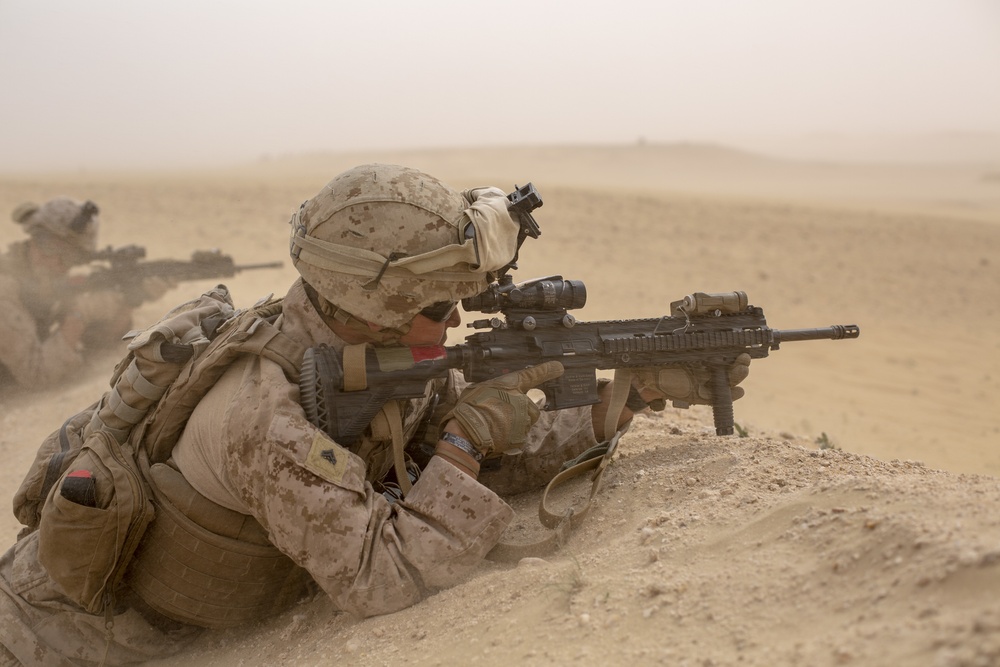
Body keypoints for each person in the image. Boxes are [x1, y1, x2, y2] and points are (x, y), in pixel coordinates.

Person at [0, 164, 750, 666]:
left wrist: (619, 404)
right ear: (377, 306)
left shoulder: (356, 346)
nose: (457, 320)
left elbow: (466, 434)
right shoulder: (266, 413)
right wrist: (461, 444)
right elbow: (380, 574)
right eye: (438, 305)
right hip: (50, 638)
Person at [0, 198, 169, 390]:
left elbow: (96, 344)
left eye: (69, 255)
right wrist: (79, 314)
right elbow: (37, 375)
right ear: (33, 237)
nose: (55, 261)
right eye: (48, 246)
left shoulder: (46, 286)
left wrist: (131, 300)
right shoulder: (5, 290)